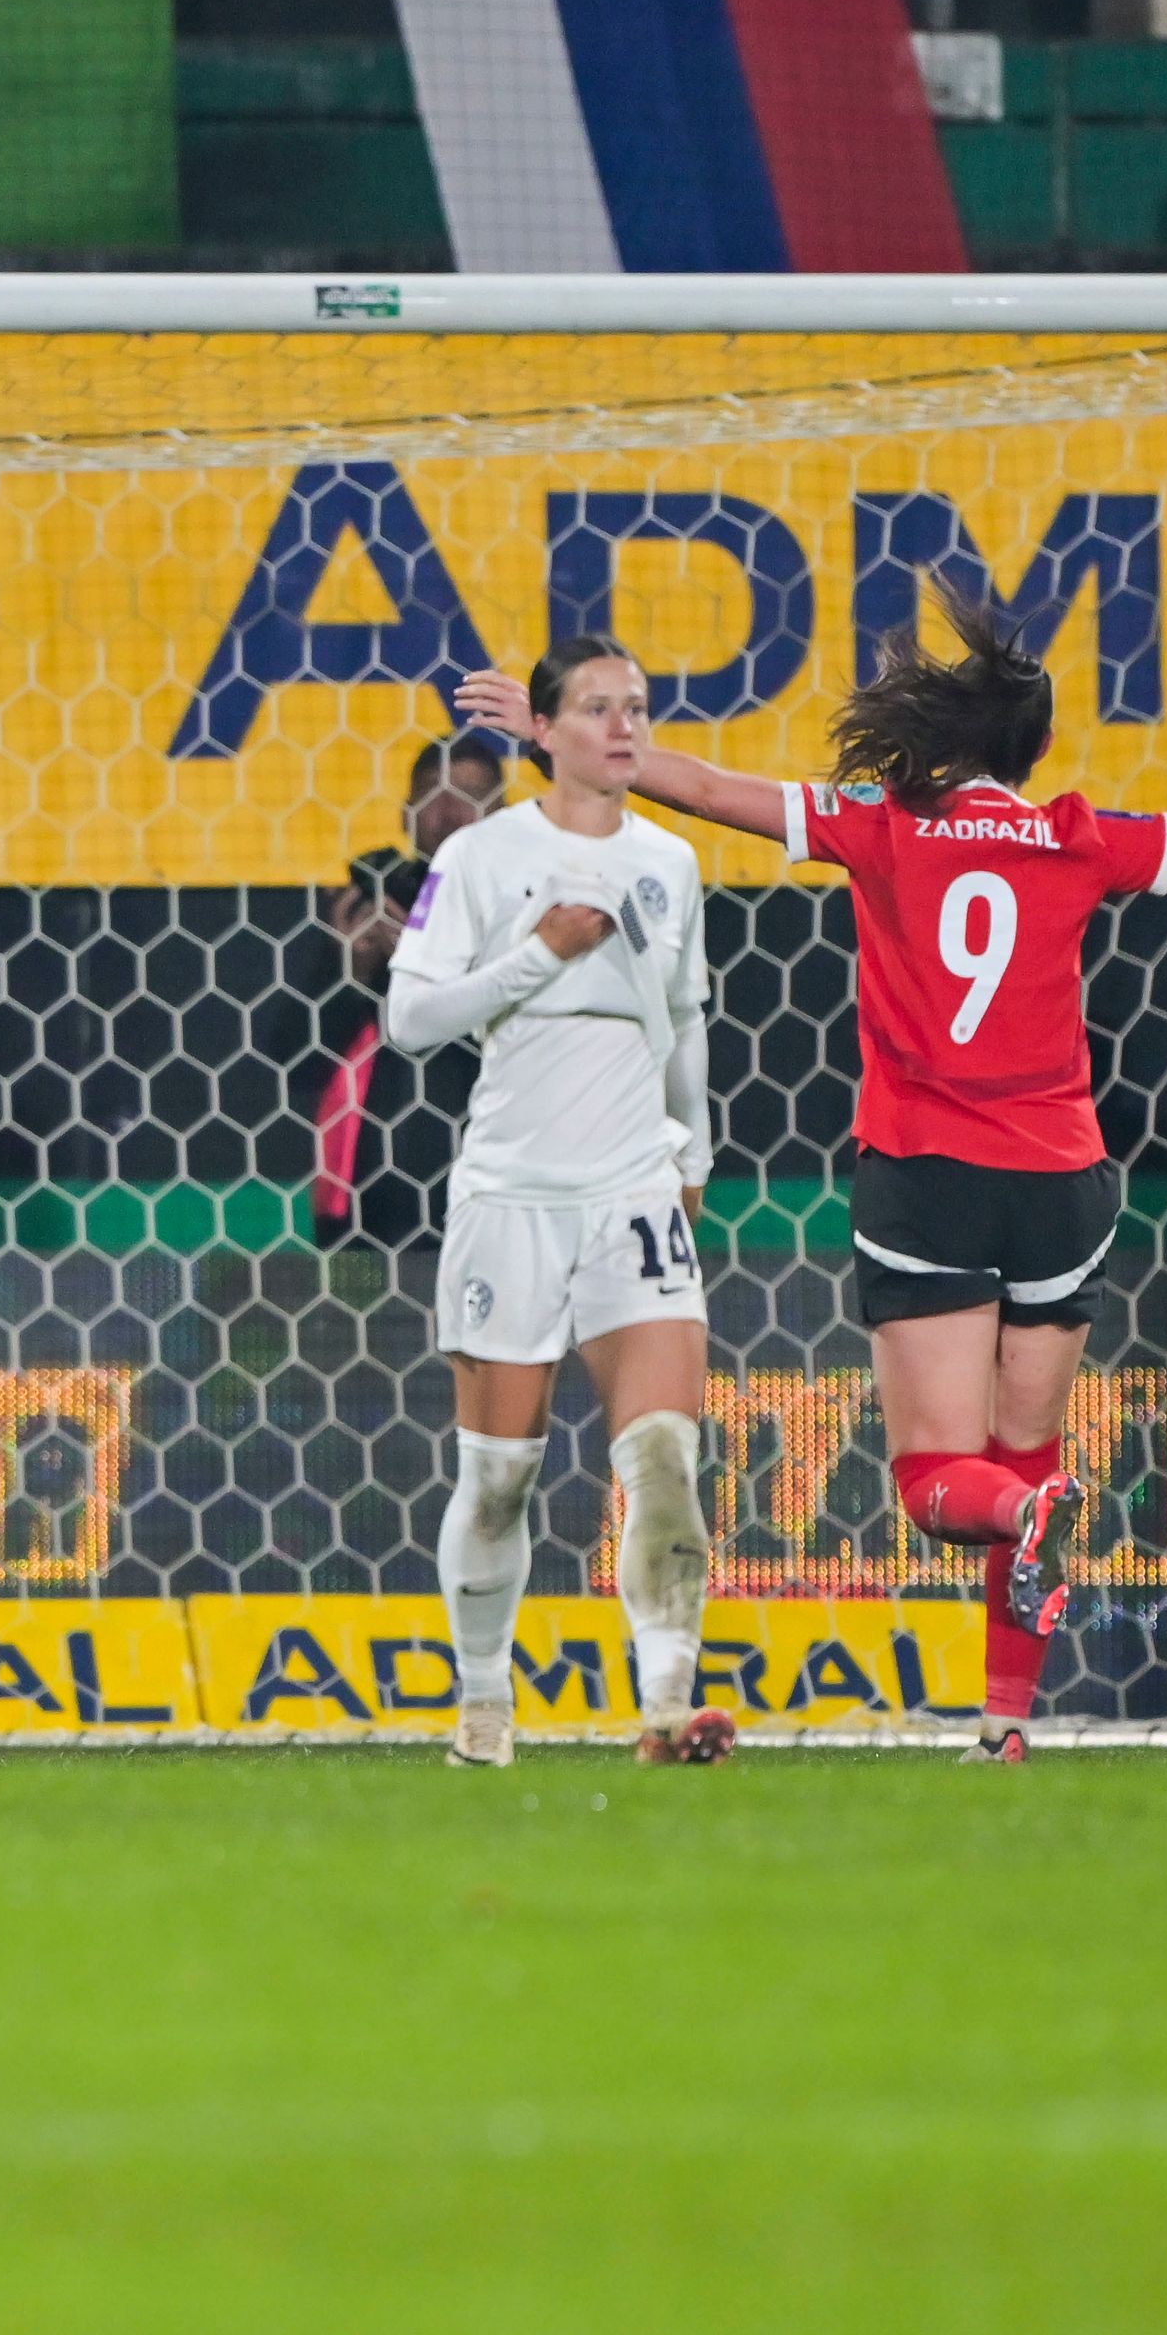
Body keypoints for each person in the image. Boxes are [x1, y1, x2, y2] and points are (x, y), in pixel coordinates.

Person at [461, 593, 1167, 1762]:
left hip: (929, 1175)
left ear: (926, 736)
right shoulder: (1076, 835)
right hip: (1064, 1185)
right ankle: (1006, 1723)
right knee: (1025, 1451)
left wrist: (565, 738)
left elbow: (710, 792)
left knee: (942, 1482)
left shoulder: (882, 824)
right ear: (1028, 749)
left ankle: (1022, 1520)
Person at [388, 639, 724, 1771]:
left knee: (665, 1457)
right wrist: (535, 957)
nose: (624, 727)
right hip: (510, 1199)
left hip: (633, 1187)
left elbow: (682, 1022)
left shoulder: (670, 862)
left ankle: (669, 1709)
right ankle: (484, 1713)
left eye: (637, 706)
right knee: (499, 1481)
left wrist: (695, 1159)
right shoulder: (481, 858)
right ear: (544, 730)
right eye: (596, 708)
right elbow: (411, 1021)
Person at [305, 733, 515, 1245]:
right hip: (375, 1196)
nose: (451, 812)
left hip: (506, 1180)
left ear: (504, 814)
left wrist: (424, 967)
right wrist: (353, 976)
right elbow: (289, 1060)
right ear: (404, 815)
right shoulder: (365, 906)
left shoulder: (528, 912)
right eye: (433, 796)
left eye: (470, 795)